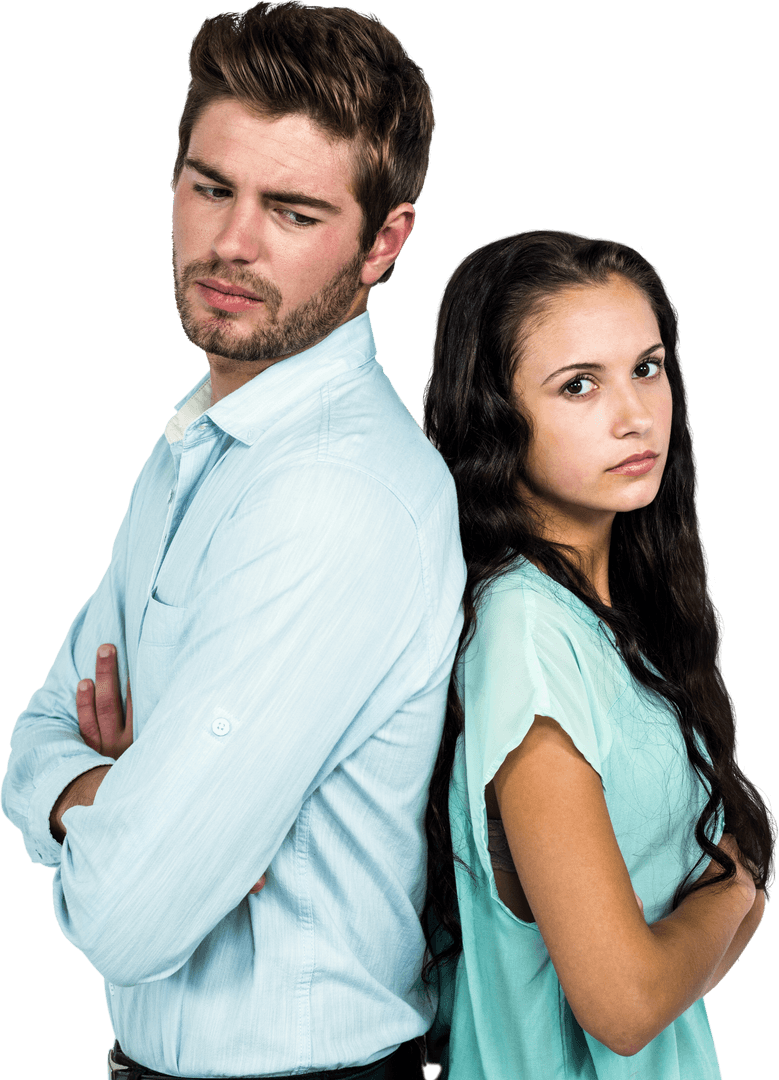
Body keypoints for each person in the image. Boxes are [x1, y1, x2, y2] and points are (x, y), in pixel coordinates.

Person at [1, 3, 465, 1078]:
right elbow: (33, 731)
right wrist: (99, 798)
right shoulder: (194, 445)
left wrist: (126, 817)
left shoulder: (330, 498)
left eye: (293, 211)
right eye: (212, 188)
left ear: (382, 243)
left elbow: (129, 917)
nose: (232, 244)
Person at [420, 229, 776, 1077]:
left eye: (645, 368)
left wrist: (715, 912)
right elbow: (621, 1005)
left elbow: (667, 988)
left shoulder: (618, 620)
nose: (633, 414)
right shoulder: (526, 639)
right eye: (578, 385)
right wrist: (733, 886)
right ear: (493, 413)